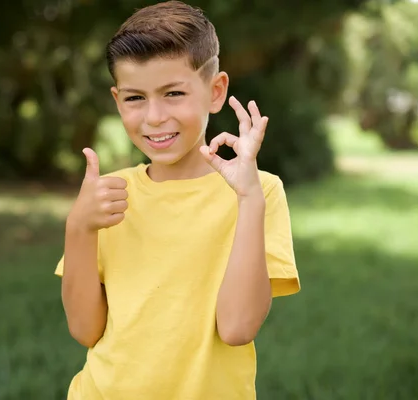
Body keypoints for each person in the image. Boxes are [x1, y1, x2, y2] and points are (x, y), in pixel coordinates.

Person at [54, 1, 301, 398]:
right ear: (118, 101)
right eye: (135, 98)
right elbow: (85, 330)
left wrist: (249, 200)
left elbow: (237, 328)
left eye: (173, 93)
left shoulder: (259, 192)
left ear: (215, 91)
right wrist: (79, 226)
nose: (154, 116)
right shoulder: (108, 196)